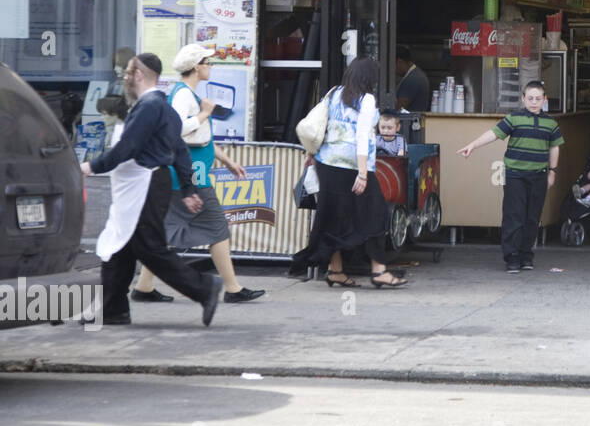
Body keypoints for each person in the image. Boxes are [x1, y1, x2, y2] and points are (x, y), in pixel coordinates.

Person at [80, 53, 222, 327]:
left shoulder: (148, 108)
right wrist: (188, 188)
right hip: (146, 183)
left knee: (149, 247)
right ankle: (113, 308)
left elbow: (128, 147)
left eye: (128, 73)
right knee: (119, 245)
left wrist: (93, 166)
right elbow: (179, 149)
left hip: (144, 183)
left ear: (140, 75)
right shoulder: (161, 107)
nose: (125, 79)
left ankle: (204, 288)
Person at [132, 43, 265, 305]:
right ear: (196, 67)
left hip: (184, 175)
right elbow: (177, 130)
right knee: (217, 227)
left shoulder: (186, 93)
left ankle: (144, 287)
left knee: (166, 233)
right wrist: (205, 113)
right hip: (191, 177)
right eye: (207, 62)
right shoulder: (184, 96)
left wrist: (227, 160)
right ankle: (232, 288)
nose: (210, 67)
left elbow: (201, 139)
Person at [290, 57, 407, 289]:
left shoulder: (334, 93)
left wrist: (311, 152)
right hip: (352, 167)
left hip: (327, 164)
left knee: (335, 218)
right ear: (368, 78)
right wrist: (363, 174)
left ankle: (336, 271)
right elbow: (362, 137)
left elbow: (321, 125)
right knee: (377, 213)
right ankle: (378, 270)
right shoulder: (366, 100)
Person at [458, 80, 563, 274]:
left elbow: (554, 147)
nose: (533, 102)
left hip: (539, 174)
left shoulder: (551, 122)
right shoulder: (514, 118)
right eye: (530, 98)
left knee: (533, 217)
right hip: (515, 174)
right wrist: (473, 145)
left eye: (538, 98)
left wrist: (552, 172)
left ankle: (526, 255)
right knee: (514, 216)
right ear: (523, 99)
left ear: (544, 100)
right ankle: (512, 257)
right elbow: (494, 134)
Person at [394, 44, 430, 112]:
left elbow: (399, 109)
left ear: (400, 62)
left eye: (393, 65)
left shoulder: (413, 79)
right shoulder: (416, 75)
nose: (393, 70)